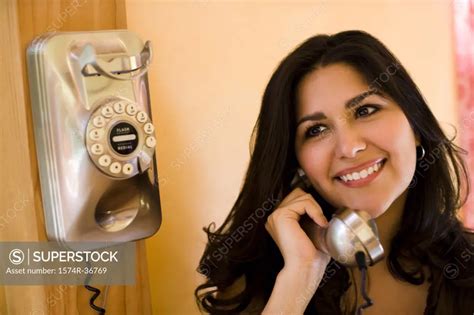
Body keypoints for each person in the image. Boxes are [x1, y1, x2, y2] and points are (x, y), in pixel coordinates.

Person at [195, 30, 474, 314]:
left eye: (366, 110)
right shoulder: (257, 286)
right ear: (297, 162)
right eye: (316, 130)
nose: (349, 147)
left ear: (415, 126)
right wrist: (300, 277)